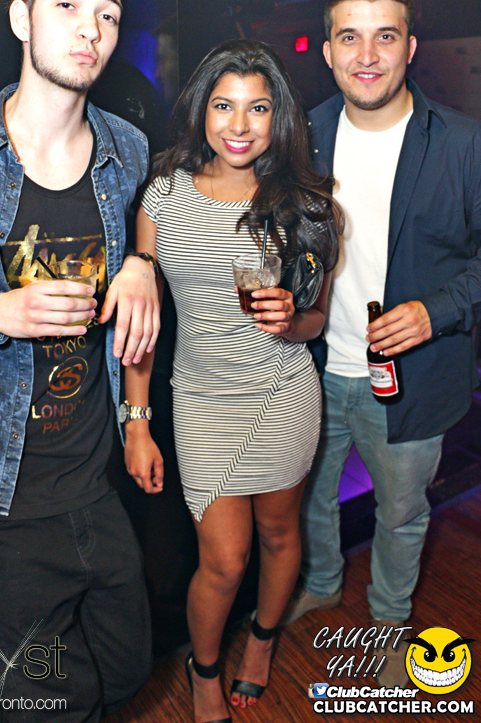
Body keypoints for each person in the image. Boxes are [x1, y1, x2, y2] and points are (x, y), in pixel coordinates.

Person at [0, 0, 160, 721]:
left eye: (107, 14)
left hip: (92, 481)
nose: (89, 29)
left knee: (126, 669)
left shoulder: (127, 149)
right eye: (67, 5)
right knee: (39, 704)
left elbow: (153, 231)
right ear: (21, 19)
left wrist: (140, 261)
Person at [125, 39, 341, 723]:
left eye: (258, 108)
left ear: (280, 117)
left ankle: (264, 639)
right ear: (201, 110)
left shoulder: (305, 204)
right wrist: (137, 423)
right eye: (223, 106)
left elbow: (316, 322)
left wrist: (292, 320)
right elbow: (140, 322)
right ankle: (204, 667)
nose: (239, 125)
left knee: (278, 535)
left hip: (281, 391)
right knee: (223, 561)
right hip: (201, 399)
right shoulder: (161, 198)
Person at [282, 0, 481, 688]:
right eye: (349, 37)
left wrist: (437, 310)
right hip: (309, 370)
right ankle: (322, 583)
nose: (366, 55)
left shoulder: (462, 144)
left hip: (413, 378)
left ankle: (390, 622)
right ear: (328, 51)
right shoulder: (301, 137)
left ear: (410, 48)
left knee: (399, 514)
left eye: (385, 37)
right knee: (310, 497)